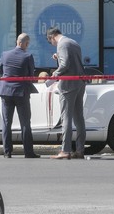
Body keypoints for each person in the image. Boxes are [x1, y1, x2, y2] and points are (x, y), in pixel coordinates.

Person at [0, 33, 40, 159]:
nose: (27, 46)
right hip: (21, 92)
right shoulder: (28, 56)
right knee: (25, 123)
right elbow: (31, 75)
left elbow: (1, 71)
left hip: (5, 91)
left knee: (6, 122)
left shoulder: (5, 54)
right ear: (23, 43)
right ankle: (28, 152)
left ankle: (7, 152)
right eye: (27, 44)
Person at [46, 27, 86, 159]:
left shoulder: (62, 44)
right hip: (80, 83)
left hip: (68, 85)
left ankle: (65, 150)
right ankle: (80, 150)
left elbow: (65, 64)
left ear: (52, 37)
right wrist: (59, 56)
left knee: (66, 117)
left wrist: (54, 75)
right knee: (79, 118)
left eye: (51, 41)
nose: (53, 44)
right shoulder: (73, 42)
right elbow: (73, 61)